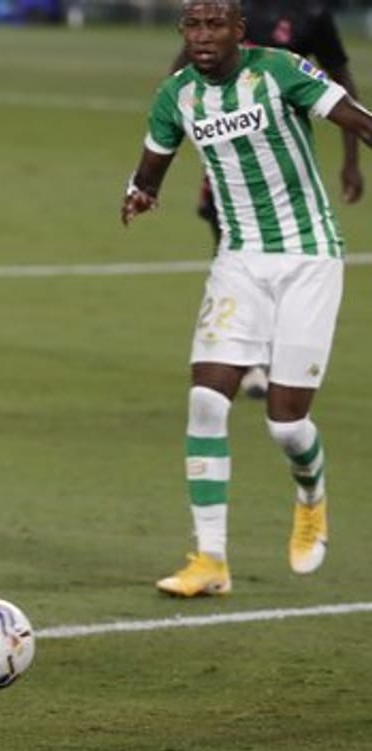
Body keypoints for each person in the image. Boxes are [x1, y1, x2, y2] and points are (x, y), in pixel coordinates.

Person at [121, 0, 372, 597]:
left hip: (309, 258)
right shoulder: (176, 95)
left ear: (239, 30)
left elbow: (358, 119)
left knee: (287, 424)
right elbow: (155, 162)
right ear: (183, 31)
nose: (203, 36)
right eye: (193, 25)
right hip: (239, 262)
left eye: (215, 25)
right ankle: (210, 560)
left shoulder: (279, 70)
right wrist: (139, 194)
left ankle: (311, 497)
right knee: (207, 399)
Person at [170, 0, 363, 399]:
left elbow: (341, 82)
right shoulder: (230, 7)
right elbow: (182, 69)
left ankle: (273, 354)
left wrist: (351, 161)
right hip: (232, 162)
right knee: (229, 240)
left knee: (284, 254)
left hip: (282, 164)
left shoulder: (312, 15)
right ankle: (250, 354)